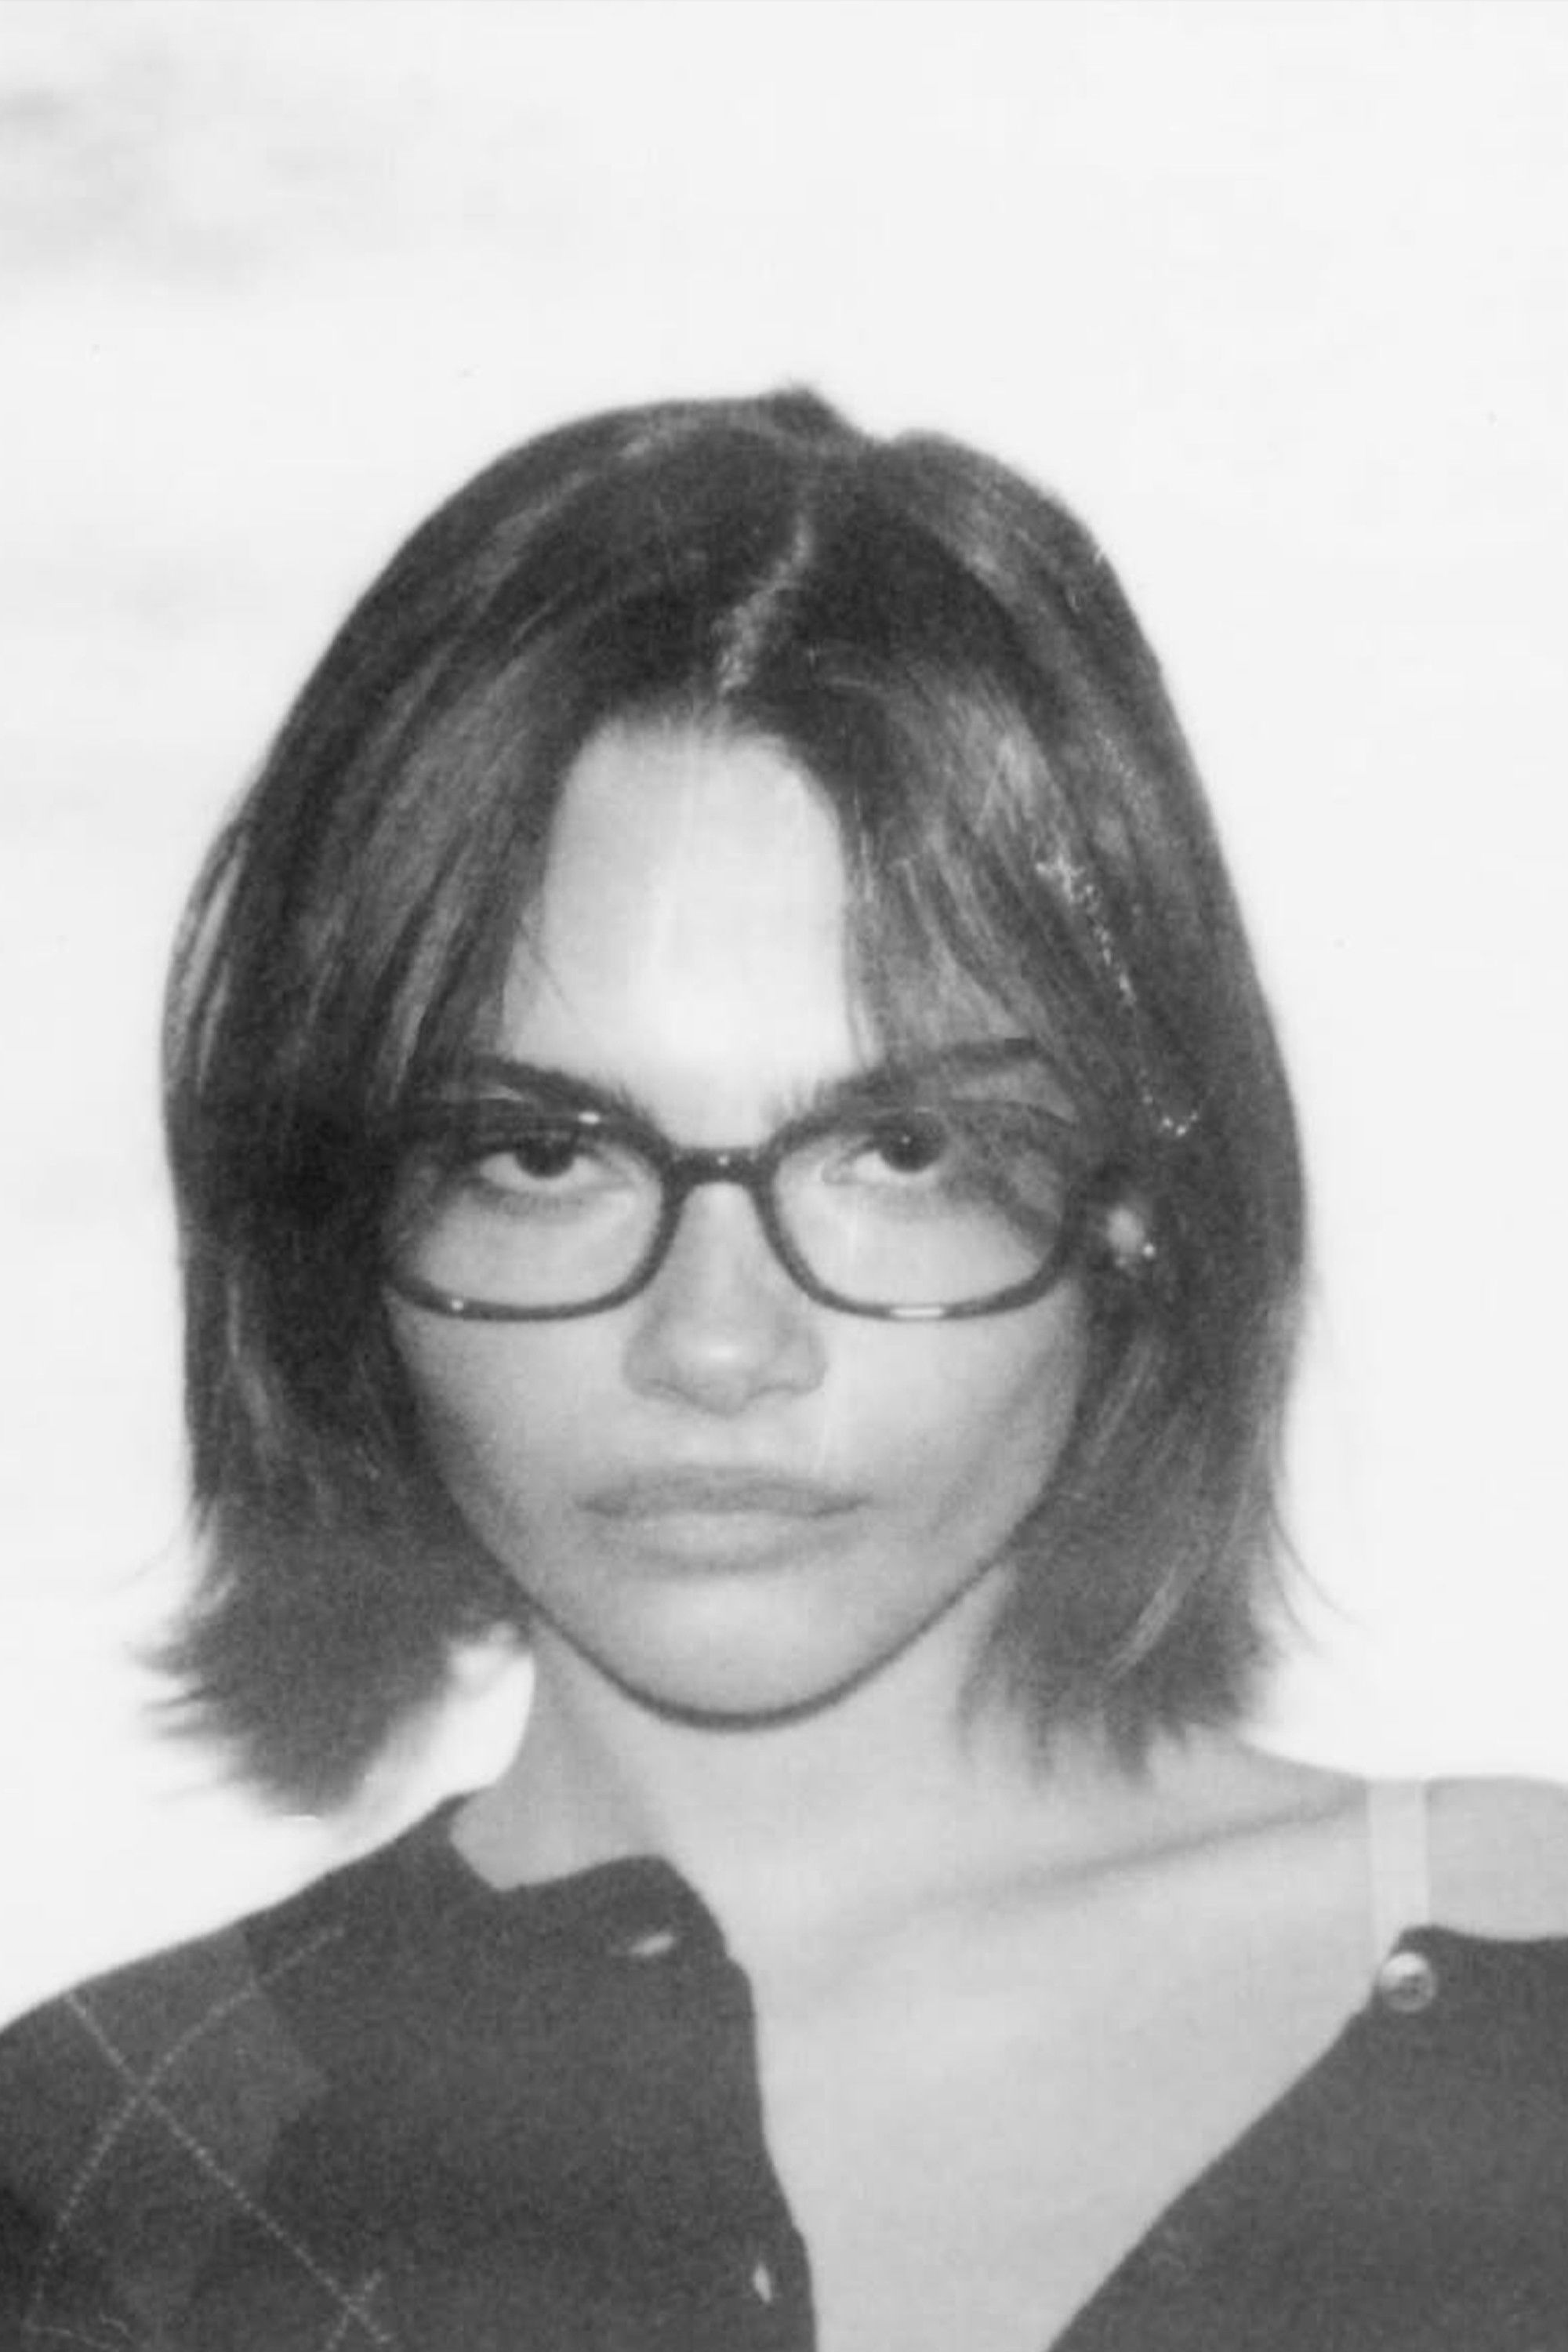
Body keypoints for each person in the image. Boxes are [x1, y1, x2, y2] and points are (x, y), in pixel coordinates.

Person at [2, 388, 1567, 2352]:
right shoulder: (102, 2193)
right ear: (336, 1213)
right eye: (543, 1154)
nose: (717, 1346)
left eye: (895, 1150)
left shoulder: (1537, 2014)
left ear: (1139, 1199)